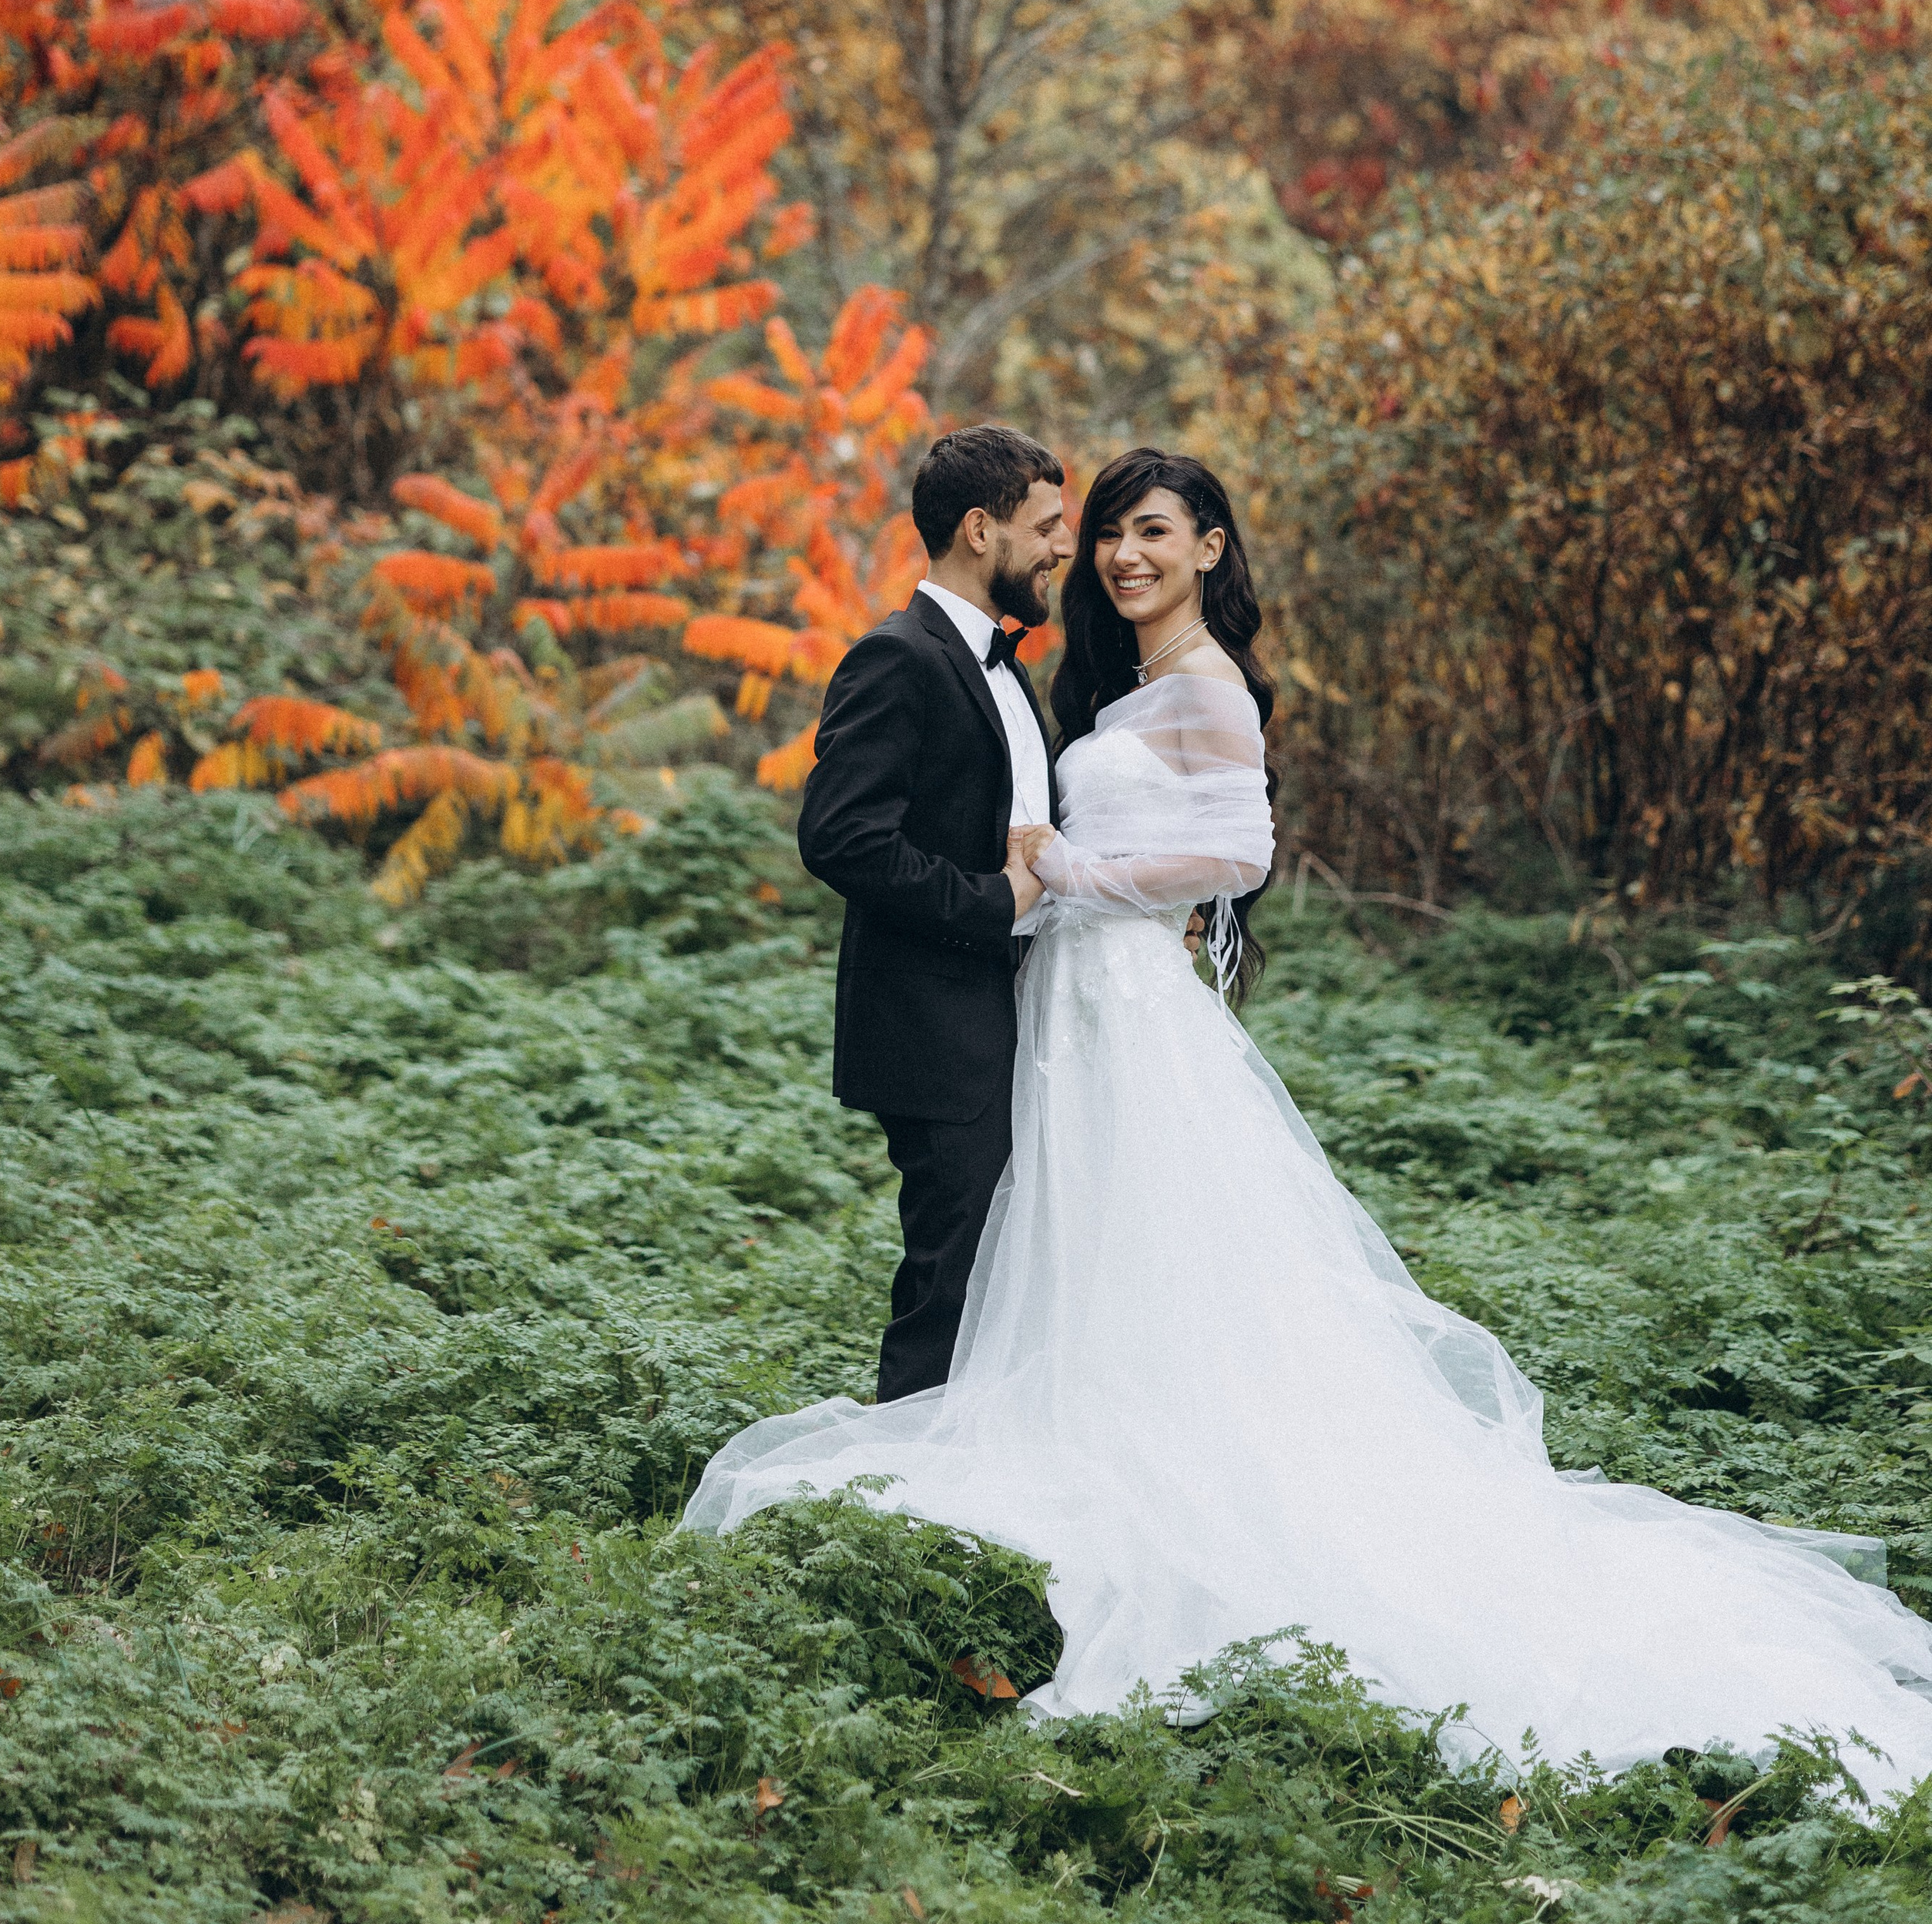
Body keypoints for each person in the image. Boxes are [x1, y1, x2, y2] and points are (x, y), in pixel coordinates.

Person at [689, 448, 1932, 1795]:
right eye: (1090, 532)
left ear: (1215, 547)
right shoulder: (1062, 678)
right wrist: (1031, 896)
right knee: (1037, 1261)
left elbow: (1242, 855)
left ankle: (981, 1526)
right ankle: (939, 1526)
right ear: (991, 531)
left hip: (1107, 1012)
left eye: (1142, 532)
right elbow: (871, 833)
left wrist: (1070, 874)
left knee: (1095, 1261)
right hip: (1053, 1013)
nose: (1106, 556)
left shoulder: (1202, 686)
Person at [796, 421, 1073, 1404]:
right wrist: (991, 902)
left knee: (1008, 1277)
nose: (1062, 547)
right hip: (935, 1028)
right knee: (950, 1284)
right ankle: (902, 1504)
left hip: (1016, 1016)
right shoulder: (896, 659)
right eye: (1045, 526)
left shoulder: (1009, 667)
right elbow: (839, 837)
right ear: (978, 530)